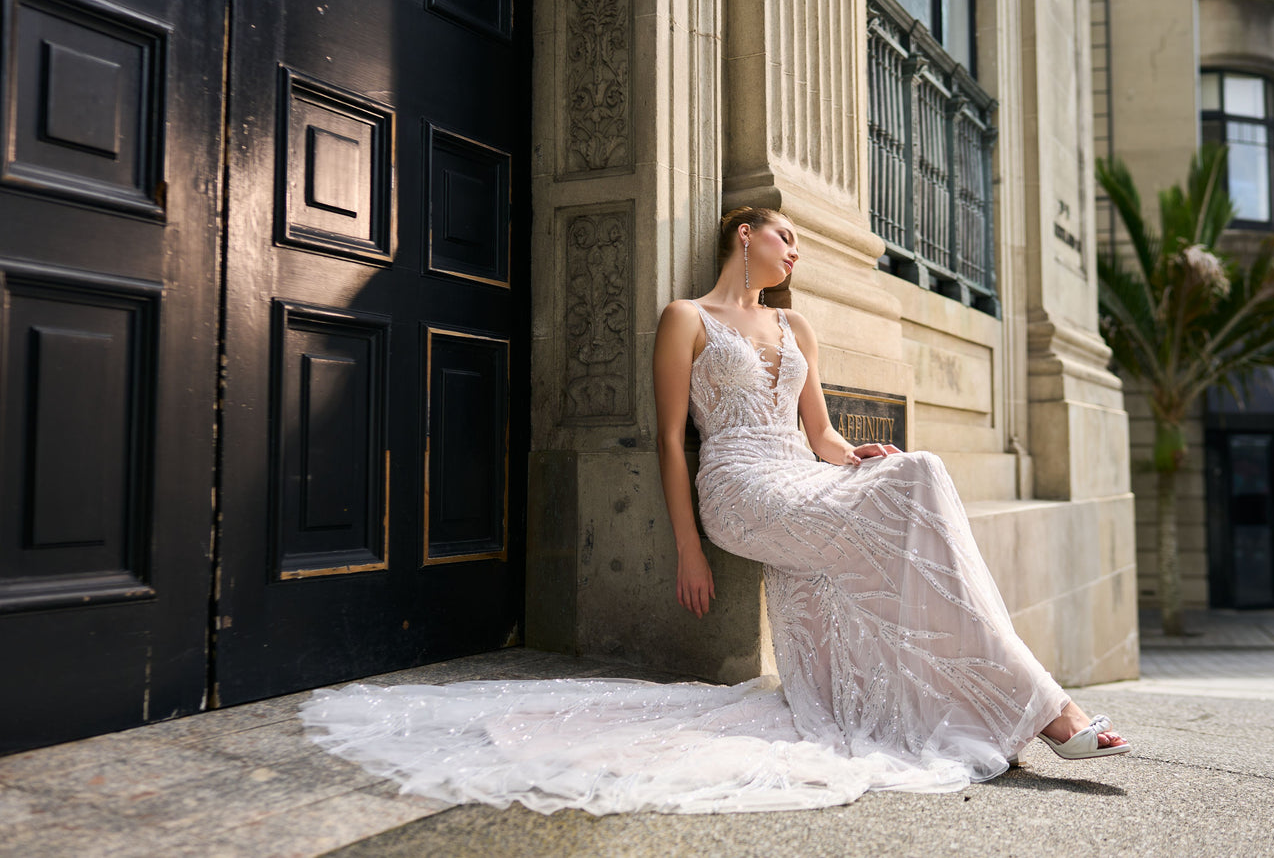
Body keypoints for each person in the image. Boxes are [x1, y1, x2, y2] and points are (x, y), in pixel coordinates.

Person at [296, 207, 1128, 816]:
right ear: (743, 233)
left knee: (913, 472)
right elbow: (669, 440)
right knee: (925, 480)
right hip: (739, 489)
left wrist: (856, 456)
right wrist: (689, 548)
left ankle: (1007, 705)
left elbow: (822, 434)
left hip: (802, 478)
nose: (795, 252)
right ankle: (1047, 710)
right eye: (785, 237)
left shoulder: (798, 324)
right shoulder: (684, 317)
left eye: (798, 244)